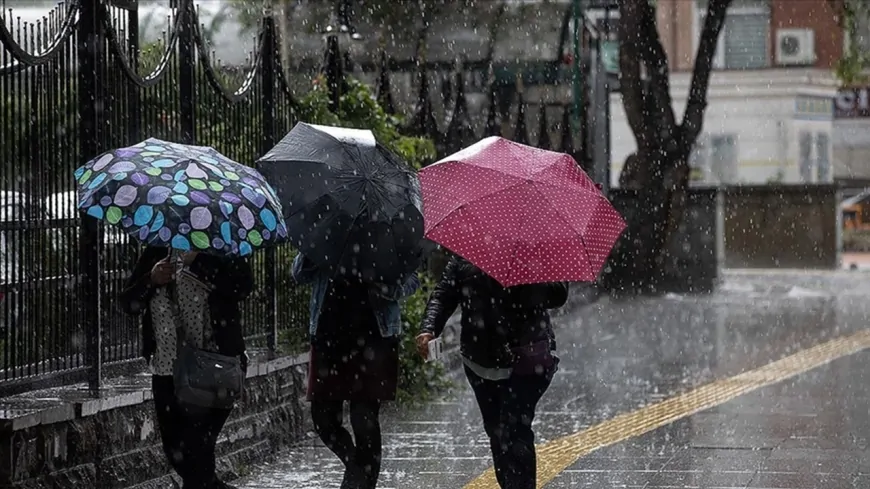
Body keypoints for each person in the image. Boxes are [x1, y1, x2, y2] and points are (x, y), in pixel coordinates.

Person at [416, 255, 568, 489]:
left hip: (527, 357)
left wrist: (522, 281)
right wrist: (429, 328)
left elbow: (559, 293)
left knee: (515, 429)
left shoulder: (535, 249)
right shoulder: (466, 253)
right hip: (480, 360)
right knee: (496, 432)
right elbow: (444, 295)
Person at [121, 247, 253, 489]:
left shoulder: (219, 247)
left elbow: (243, 287)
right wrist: (150, 279)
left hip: (213, 369)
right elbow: (128, 304)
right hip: (166, 370)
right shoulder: (157, 252)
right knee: (177, 453)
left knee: (197, 449)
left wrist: (200, 261)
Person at [292, 253, 420, 489]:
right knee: (323, 420)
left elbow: (412, 280)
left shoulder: (387, 229)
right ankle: (356, 468)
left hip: (374, 338)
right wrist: (312, 252)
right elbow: (299, 274)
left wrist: (382, 285)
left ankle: (362, 482)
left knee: (364, 420)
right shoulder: (327, 225)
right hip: (328, 337)